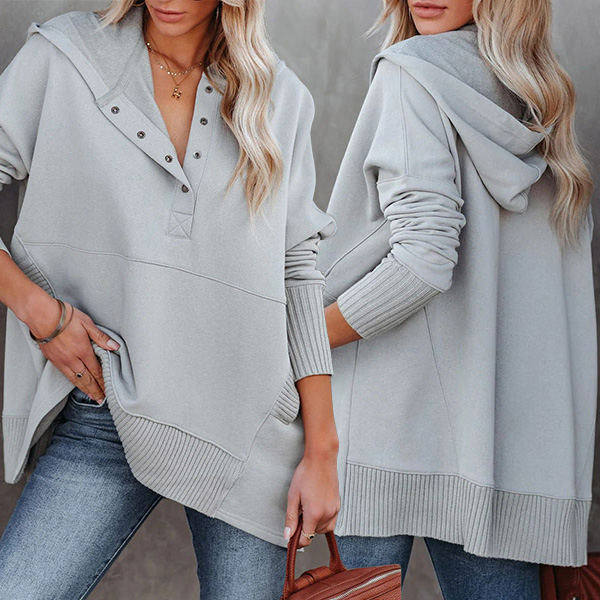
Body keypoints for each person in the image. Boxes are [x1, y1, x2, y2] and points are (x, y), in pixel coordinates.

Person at [0, 1, 341, 598]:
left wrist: (322, 450)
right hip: (107, 407)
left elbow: (297, 272)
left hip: (245, 435)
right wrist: (39, 312)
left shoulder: (279, 97)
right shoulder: (64, 56)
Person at [317, 0, 596, 598]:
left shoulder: (410, 71)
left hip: (385, 424)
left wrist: (303, 341)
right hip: (496, 443)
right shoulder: (538, 96)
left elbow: (423, 260)